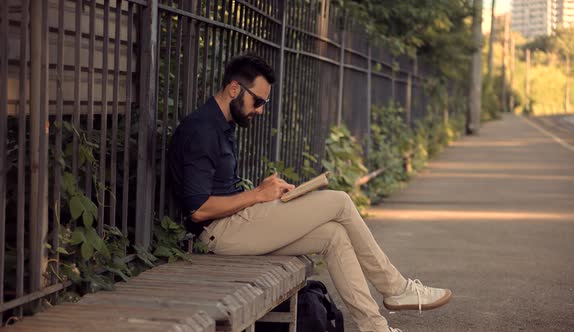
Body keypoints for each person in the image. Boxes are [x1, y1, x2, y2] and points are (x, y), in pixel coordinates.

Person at [168, 54, 452, 332]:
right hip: (220, 233)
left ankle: (375, 327)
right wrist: (257, 195)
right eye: (258, 101)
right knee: (340, 201)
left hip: (239, 222)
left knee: (334, 235)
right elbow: (199, 209)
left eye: (264, 103)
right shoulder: (201, 130)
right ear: (233, 88)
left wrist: (269, 194)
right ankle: (396, 288)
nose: (261, 110)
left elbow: (221, 190)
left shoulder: (223, 124)